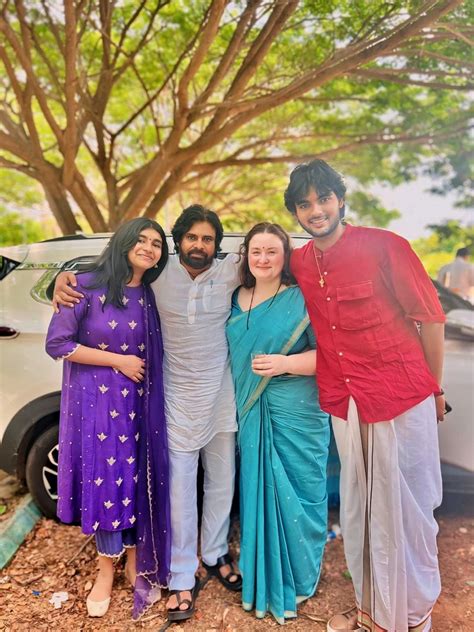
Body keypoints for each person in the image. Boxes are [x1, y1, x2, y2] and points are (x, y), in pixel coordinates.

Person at [52, 205, 242, 623]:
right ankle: (178, 573)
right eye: (190, 237)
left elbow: (276, 261)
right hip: (165, 400)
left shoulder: (231, 271)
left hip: (210, 399)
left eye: (208, 239)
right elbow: (102, 274)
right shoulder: (160, 273)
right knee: (176, 488)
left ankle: (212, 553)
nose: (199, 245)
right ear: (179, 243)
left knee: (222, 481)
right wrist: (59, 279)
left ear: (218, 245)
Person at [285, 159, 446, 632]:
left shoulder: (385, 246)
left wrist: (434, 388)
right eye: (304, 204)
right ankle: (374, 612)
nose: (316, 211)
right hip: (345, 399)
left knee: (409, 510)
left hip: (399, 395)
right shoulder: (299, 260)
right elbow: (251, 270)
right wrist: (74, 281)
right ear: (296, 213)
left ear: (340, 199)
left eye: (323, 199)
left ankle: (413, 616)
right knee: (360, 510)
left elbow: (431, 319)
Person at [46, 218, 171, 620]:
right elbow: (58, 344)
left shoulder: (150, 295)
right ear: (124, 241)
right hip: (97, 407)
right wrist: (118, 360)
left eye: (156, 243)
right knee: (106, 482)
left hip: (140, 406)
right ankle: (105, 570)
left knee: (135, 482)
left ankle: (135, 562)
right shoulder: (84, 285)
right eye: (142, 239)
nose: (149, 247)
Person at [226, 223, 330, 624]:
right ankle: (262, 576)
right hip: (252, 412)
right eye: (256, 251)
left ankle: (300, 576)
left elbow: (330, 356)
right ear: (246, 256)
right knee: (257, 491)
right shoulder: (234, 298)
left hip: (297, 410)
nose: (263, 259)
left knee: (301, 491)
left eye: (272, 251)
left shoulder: (303, 300)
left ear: (285, 257)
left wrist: (286, 363)